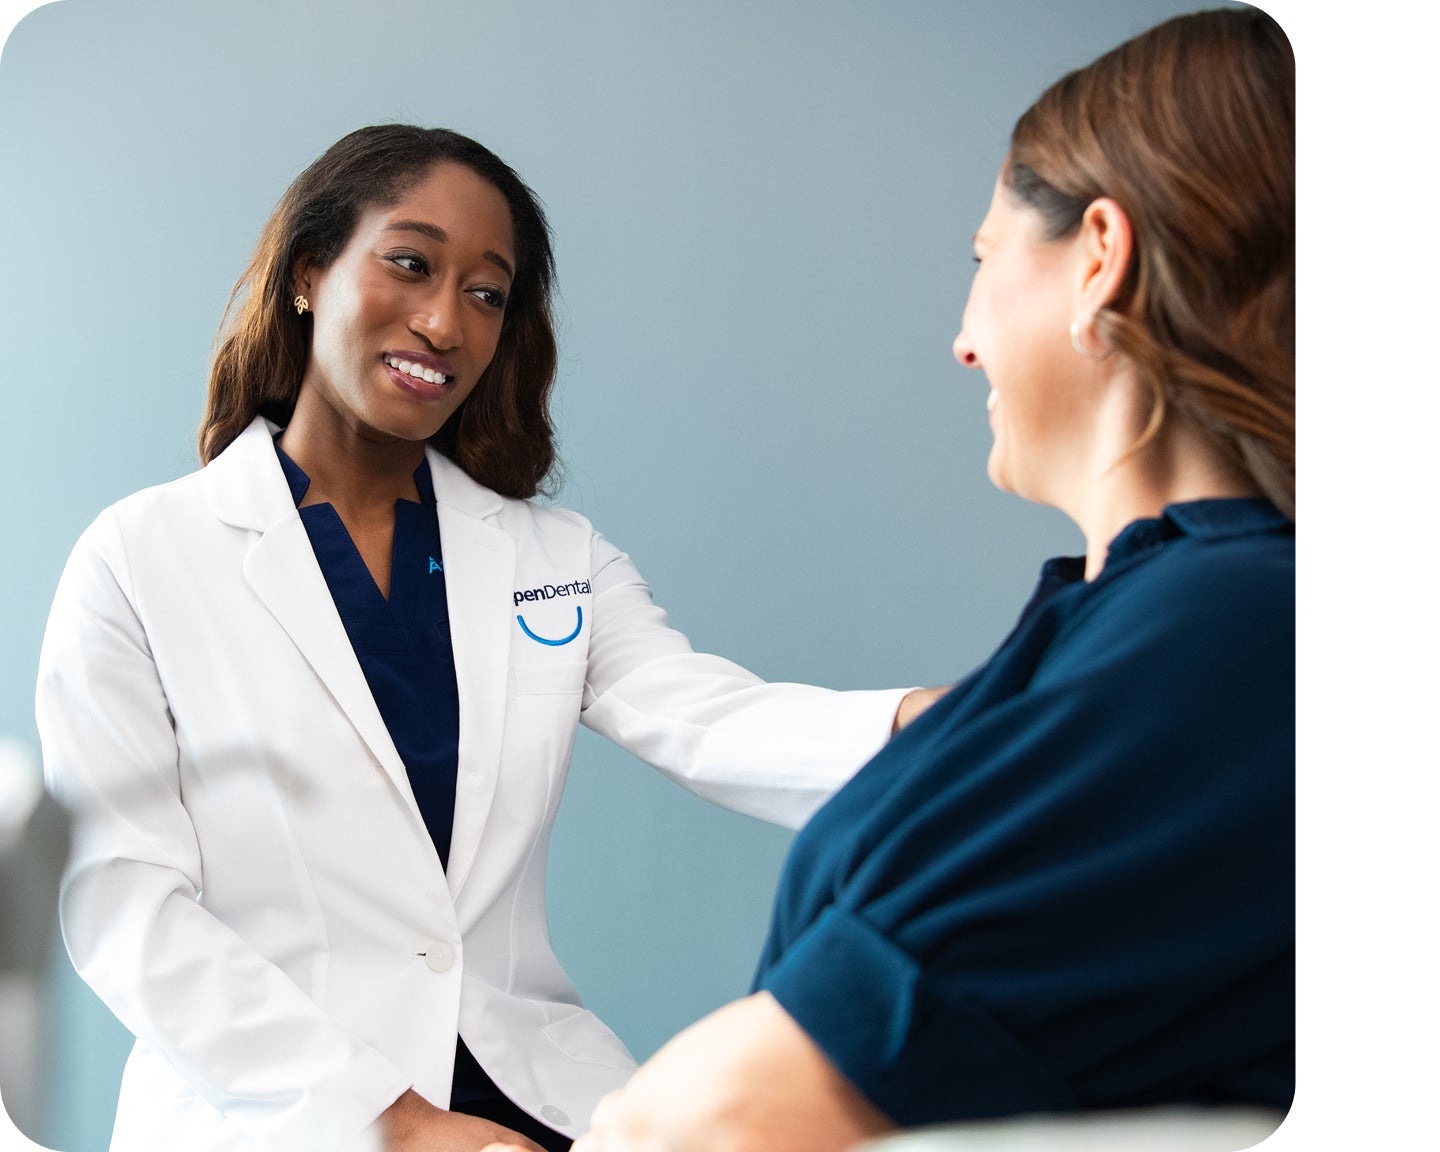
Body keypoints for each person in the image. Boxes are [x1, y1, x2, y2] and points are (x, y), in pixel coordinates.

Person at [35, 125, 943, 1152]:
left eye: (486, 293)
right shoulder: (141, 557)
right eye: (411, 264)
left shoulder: (549, 555)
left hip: (531, 1091)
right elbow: (122, 902)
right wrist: (394, 1123)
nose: (443, 323)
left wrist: (953, 725)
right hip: (281, 1111)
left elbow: (709, 717)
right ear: (307, 273)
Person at [522, 8, 1295, 1151]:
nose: (963, 340)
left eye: (983, 261)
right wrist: (970, 726)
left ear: (1099, 257)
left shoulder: (1233, 625)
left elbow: (724, 1118)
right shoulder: (1125, 621)